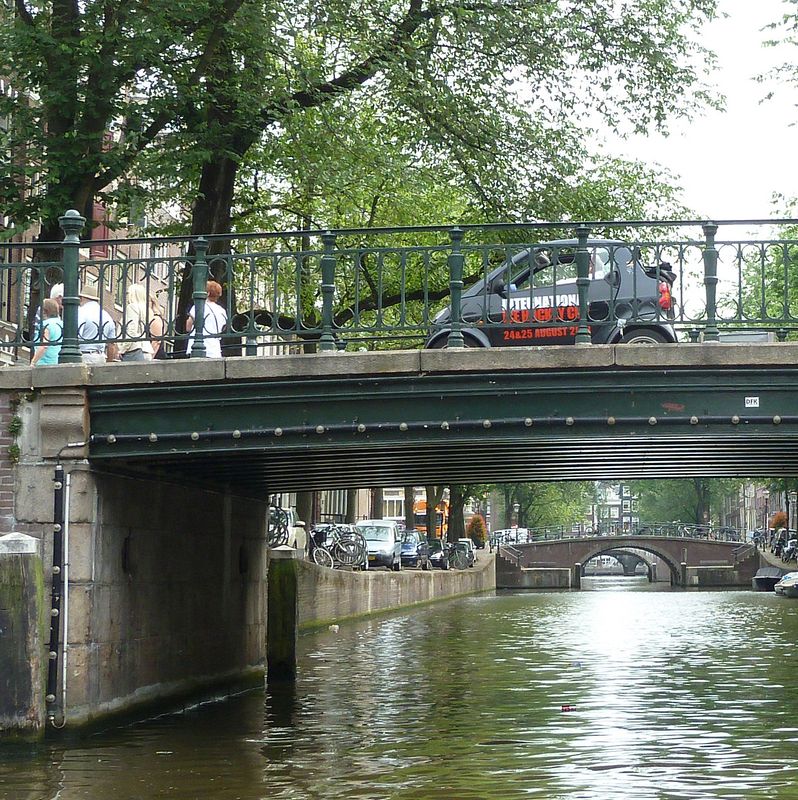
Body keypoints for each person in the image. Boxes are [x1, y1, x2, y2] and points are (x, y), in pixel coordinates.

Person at [78, 284, 118, 363]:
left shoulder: (81, 312)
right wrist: (109, 362)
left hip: (84, 356)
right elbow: (112, 344)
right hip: (101, 357)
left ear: (82, 298)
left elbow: (76, 336)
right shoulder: (107, 316)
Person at [186, 280, 227, 358]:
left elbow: (188, 327)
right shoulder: (222, 310)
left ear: (207, 293)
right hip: (215, 349)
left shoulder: (198, 307)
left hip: (197, 348)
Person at [117, 284, 154, 362]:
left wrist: (123, 349)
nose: (126, 295)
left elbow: (132, 330)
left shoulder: (132, 307)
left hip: (134, 350)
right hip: (146, 350)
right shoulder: (146, 309)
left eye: (128, 293)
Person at [31, 298, 63, 365]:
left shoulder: (45, 325)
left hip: (44, 363)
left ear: (44, 311)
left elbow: (44, 346)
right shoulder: (61, 324)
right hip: (58, 361)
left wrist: (33, 362)